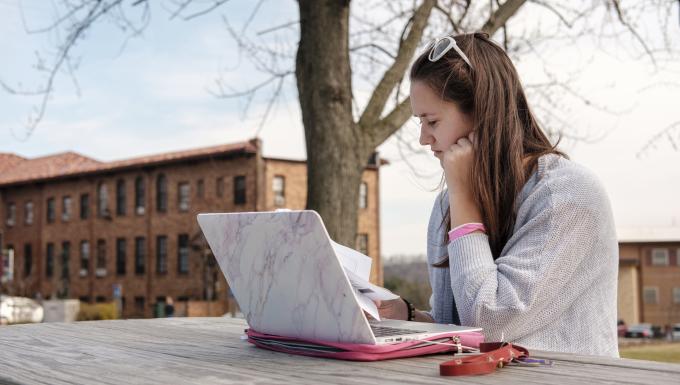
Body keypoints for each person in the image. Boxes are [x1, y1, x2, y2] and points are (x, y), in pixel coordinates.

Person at [376, 32, 619, 357]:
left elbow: (491, 322)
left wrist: (463, 198)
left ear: (483, 113)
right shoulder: (447, 205)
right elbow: (459, 328)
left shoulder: (566, 197)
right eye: (419, 122)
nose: (423, 138)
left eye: (432, 121)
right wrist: (406, 315)